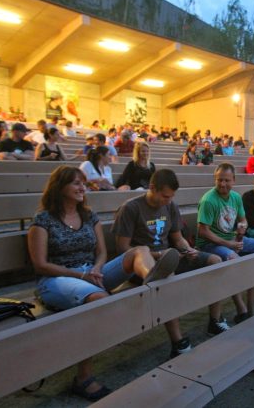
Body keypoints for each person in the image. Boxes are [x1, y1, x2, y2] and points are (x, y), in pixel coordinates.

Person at [27, 166, 179, 401]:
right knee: (99, 300)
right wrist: (81, 276)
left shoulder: (89, 215)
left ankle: (151, 280)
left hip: (92, 273)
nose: (82, 188)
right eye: (76, 183)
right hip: (57, 279)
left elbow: (101, 252)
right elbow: (40, 264)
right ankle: (83, 379)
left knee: (140, 250)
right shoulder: (43, 220)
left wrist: (97, 268)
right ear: (60, 187)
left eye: (83, 183)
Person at [112, 169, 228, 339]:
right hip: (143, 266)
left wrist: (188, 249)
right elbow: (123, 249)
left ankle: (215, 320)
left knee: (215, 261)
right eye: (166, 196)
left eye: (172, 197)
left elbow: (178, 237)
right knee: (167, 274)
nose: (169, 201)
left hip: (170, 256)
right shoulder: (131, 208)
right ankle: (178, 341)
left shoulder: (170, 206)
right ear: (152, 187)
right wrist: (159, 255)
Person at [196, 163, 254, 324]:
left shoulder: (235, 197)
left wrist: (242, 227)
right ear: (215, 180)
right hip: (210, 244)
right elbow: (202, 232)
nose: (223, 184)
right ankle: (242, 308)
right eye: (219, 180)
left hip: (231, 239)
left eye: (227, 180)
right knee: (233, 257)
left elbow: (242, 219)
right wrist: (229, 244)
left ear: (233, 180)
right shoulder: (209, 200)